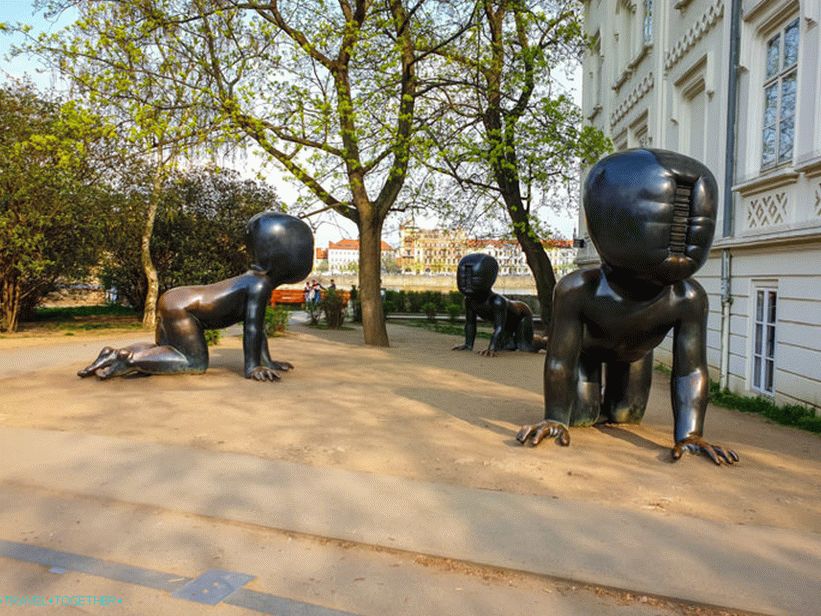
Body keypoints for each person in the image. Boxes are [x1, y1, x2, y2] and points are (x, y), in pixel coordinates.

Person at [78, 212, 313, 382]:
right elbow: (251, 329)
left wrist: (267, 362)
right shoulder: (259, 285)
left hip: (177, 299)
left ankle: (114, 353)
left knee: (169, 350)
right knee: (194, 362)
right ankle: (127, 359)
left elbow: (258, 330)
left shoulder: (253, 280)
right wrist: (253, 367)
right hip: (185, 309)